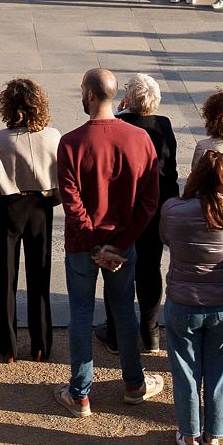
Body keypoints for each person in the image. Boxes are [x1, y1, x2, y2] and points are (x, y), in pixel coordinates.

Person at [55, 68, 165, 417]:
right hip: (123, 246)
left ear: (88, 94)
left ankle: (81, 393)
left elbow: (72, 202)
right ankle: (134, 384)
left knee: (81, 314)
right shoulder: (139, 139)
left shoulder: (71, 142)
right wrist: (119, 245)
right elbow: (149, 200)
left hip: (81, 247)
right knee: (123, 312)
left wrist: (93, 245)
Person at [161, 149, 223, 445]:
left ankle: (189, 435)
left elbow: (166, 239)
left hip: (183, 301)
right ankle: (213, 438)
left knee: (185, 373)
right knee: (221, 374)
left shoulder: (172, 209)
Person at [0, 78, 60, 362]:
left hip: (9, 208)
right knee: (40, 277)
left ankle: (8, 345)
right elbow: (61, 183)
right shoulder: (53, 136)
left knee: (5, 277)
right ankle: (41, 344)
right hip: (40, 207)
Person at [100, 74, 179, 355]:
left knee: (116, 268)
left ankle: (115, 332)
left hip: (123, 210)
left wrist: (122, 111)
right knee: (150, 268)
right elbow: (170, 171)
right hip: (155, 209)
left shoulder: (119, 124)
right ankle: (150, 331)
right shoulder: (163, 125)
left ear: (129, 100)